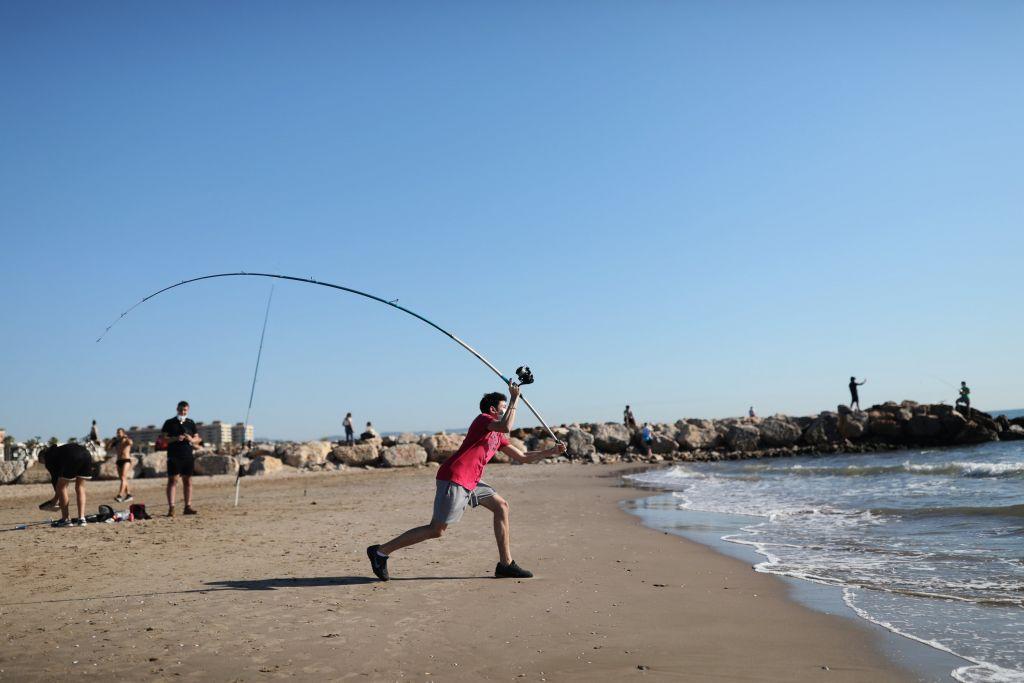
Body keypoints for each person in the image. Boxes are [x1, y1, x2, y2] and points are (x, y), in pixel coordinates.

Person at [367, 384, 566, 581]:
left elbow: (522, 456)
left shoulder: (497, 435)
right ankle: (381, 552)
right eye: (503, 407)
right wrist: (514, 398)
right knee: (436, 530)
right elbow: (506, 425)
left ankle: (506, 564)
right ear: (493, 410)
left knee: (501, 506)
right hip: (455, 477)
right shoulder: (484, 420)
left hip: (472, 481)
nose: (506, 410)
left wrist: (550, 452)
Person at [36, 443, 93, 527]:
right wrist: (55, 499)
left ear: (42, 457)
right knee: (80, 487)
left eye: (42, 462)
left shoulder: (48, 457)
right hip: (86, 455)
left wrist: (55, 500)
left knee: (61, 487)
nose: (44, 464)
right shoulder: (58, 451)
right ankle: (81, 519)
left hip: (72, 456)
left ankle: (66, 519)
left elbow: (56, 482)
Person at [161, 401, 201, 517]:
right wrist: (175, 438)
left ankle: (187, 506)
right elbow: (163, 439)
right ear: (177, 409)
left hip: (188, 455)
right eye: (180, 410)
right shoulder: (169, 422)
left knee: (188, 481)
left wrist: (191, 439)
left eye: (185, 410)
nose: (182, 412)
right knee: (173, 481)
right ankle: (171, 508)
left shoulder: (191, 422)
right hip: (174, 455)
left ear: (187, 410)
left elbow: (198, 438)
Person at [112, 428, 133, 503]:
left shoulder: (126, 440)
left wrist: (126, 437)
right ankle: (129, 495)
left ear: (123, 433)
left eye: (120, 432)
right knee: (123, 479)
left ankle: (120, 495)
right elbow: (107, 448)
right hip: (119, 461)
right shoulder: (116, 442)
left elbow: (131, 443)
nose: (118, 434)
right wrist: (111, 441)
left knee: (123, 477)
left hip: (126, 460)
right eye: (117, 432)